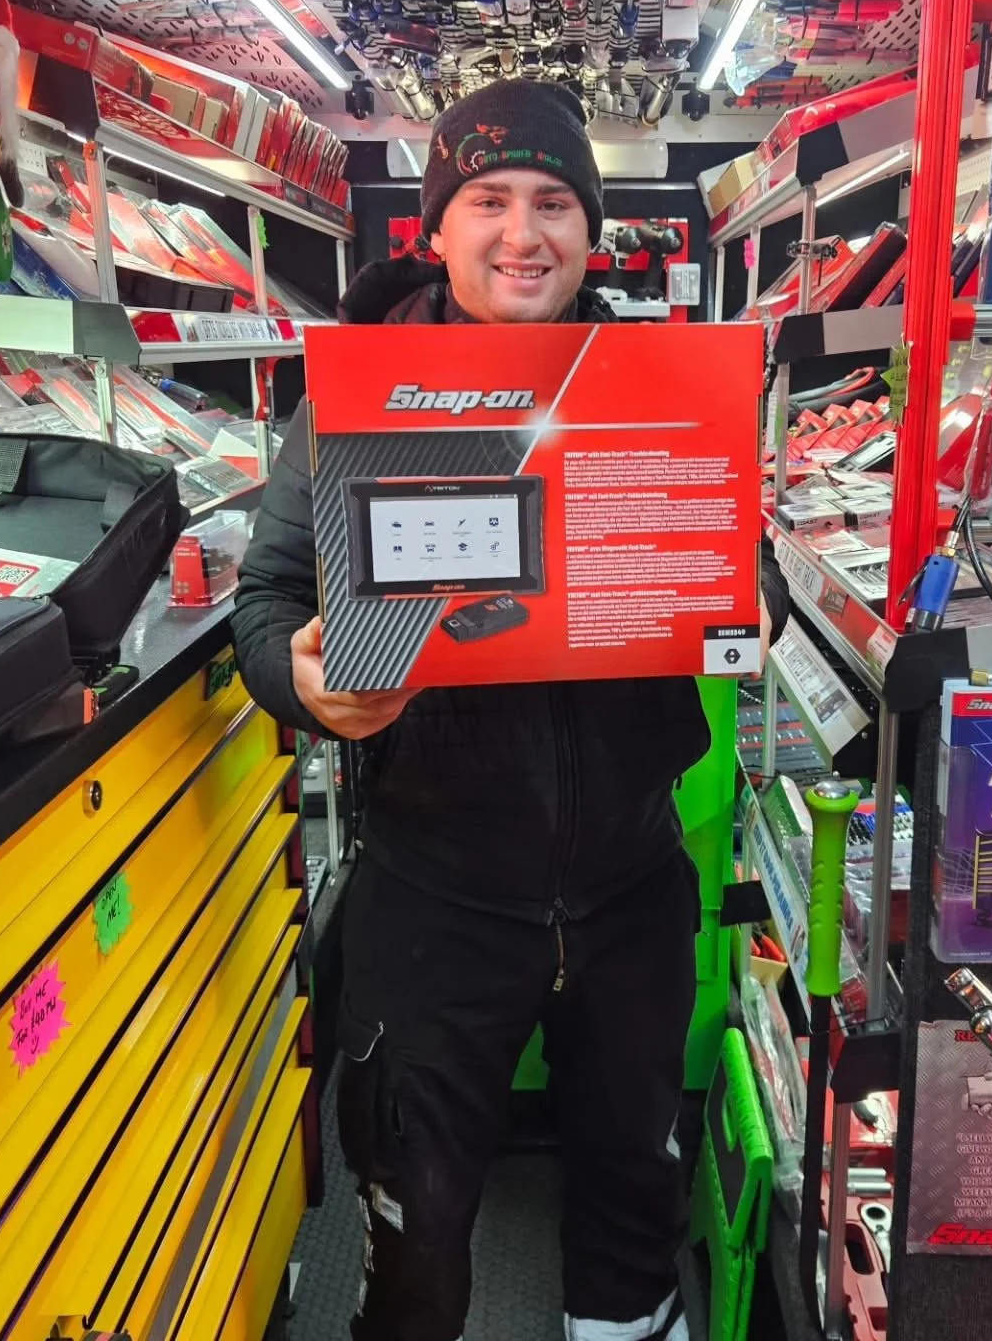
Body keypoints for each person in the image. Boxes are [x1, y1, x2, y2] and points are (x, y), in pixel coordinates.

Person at [232, 79, 789, 1341]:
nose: (522, 233)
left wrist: (743, 599)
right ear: (437, 226)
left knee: (631, 1189)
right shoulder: (353, 401)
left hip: (634, 883)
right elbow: (264, 601)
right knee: (414, 1218)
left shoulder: (666, 389)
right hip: (433, 890)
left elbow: (744, 587)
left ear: (594, 231)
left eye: (554, 203)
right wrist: (305, 685)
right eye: (488, 200)